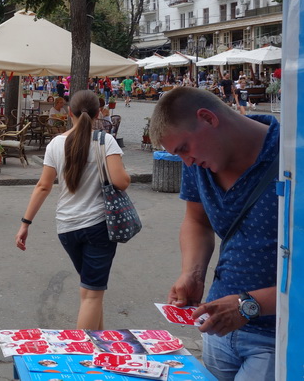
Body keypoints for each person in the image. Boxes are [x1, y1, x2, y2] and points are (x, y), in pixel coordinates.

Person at [149, 87, 278, 381]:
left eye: (184, 148)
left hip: (277, 335)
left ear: (207, 118)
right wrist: (192, 272)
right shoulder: (201, 162)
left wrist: (249, 305)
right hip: (218, 327)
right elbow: (197, 221)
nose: (187, 162)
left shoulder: (290, 156)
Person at [15, 90, 130, 330]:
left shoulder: (56, 144)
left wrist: (26, 223)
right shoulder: (104, 140)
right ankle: (82, 359)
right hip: (98, 226)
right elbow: (121, 181)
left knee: (91, 289)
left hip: (67, 227)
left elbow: (43, 186)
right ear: (99, 113)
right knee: (91, 295)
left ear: (69, 113)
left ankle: (98, 344)